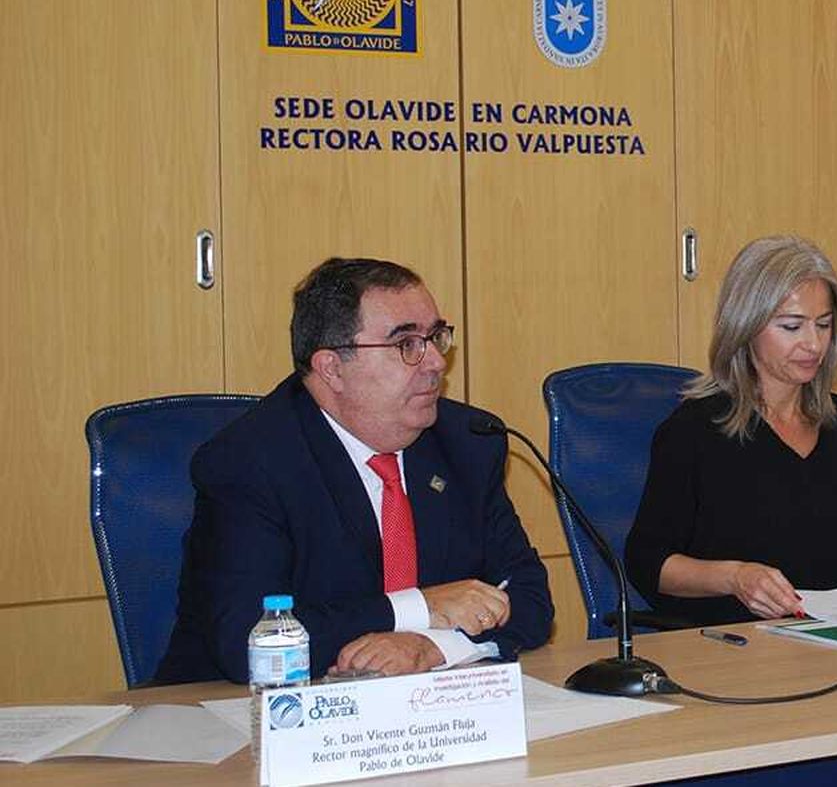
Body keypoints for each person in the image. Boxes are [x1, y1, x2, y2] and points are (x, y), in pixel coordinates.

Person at [157, 258, 553, 684]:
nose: (437, 362)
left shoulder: (468, 441)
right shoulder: (250, 462)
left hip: (418, 720)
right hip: (237, 721)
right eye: (407, 344)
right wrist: (420, 608)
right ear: (331, 368)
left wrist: (433, 647)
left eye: (436, 337)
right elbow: (248, 640)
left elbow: (529, 598)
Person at [625, 236, 837, 625]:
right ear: (745, 328)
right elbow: (648, 563)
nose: (813, 344)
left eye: (824, 325)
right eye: (792, 326)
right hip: (728, 642)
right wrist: (736, 578)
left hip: (828, 636)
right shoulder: (694, 430)